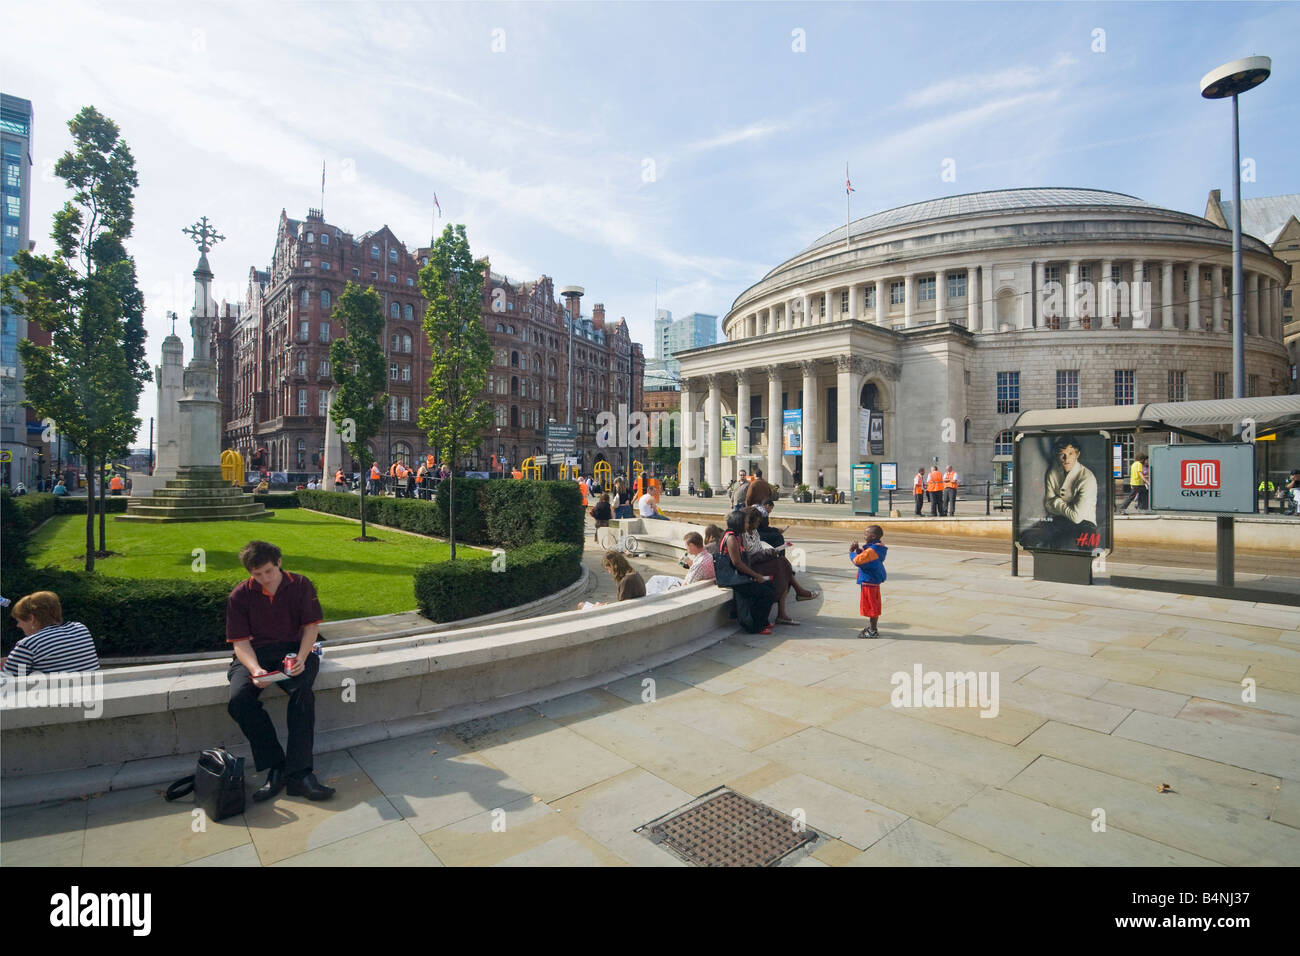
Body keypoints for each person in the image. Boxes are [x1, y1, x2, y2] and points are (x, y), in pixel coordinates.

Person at [225, 540, 334, 803]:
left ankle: (300, 774)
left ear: (279, 563)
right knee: (238, 702)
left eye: (268, 572)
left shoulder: (300, 584)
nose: (263, 578)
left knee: (302, 696)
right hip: (256, 654)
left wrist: (302, 657)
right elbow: (240, 643)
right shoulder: (240, 595)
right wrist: (255, 669)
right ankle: (276, 766)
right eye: (256, 574)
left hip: (295, 650)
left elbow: (311, 627)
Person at [1019, 435, 1099, 551]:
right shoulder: (1053, 473)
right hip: (1059, 520)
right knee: (1026, 537)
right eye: (1062, 454)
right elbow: (1048, 506)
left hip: (1085, 522)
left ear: (1077, 454)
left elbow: (1076, 517)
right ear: (1058, 455)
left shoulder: (1087, 477)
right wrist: (1065, 508)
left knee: (1088, 545)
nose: (1066, 459)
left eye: (1070, 454)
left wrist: (1056, 501)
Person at [741, 507, 816, 623]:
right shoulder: (742, 535)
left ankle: (789, 605)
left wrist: (769, 553)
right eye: (756, 521)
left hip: (760, 562)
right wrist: (769, 553)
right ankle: (796, 595)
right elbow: (749, 557)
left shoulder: (755, 532)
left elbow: (759, 548)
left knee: (782, 567)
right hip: (752, 566)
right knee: (782, 565)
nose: (758, 524)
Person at [3, 591, 99, 675]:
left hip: (50, 695)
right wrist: (15, 659)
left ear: (32, 618)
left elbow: (7, 684)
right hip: (90, 694)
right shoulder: (81, 629)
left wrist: (17, 658)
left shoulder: (28, 645)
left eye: (19, 621)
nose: (18, 625)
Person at [645, 532, 716, 595]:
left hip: (687, 590)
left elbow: (686, 587)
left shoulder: (699, 564)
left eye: (686, 546)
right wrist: (690, 563)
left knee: (655, 583)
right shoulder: (709, 556)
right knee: (656, 578)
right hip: (701, 586)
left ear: (691, 545)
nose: (686, 548)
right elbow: (698, 573)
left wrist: (673, 586)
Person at [850, 525, 888, 639]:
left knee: (871, 606)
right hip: (873, 580)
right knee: (873, 604)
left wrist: (851, 552)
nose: (864, 536)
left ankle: (872, 630)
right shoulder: (877, 548)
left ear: (873, 536)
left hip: (869, 581)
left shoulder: (873, 550)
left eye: (866, 534)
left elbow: (858, 560)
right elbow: (866, 556)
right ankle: (872, 628)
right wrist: (858, 550)